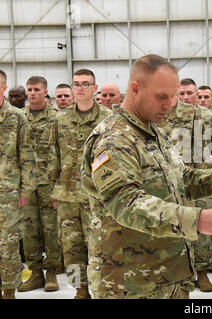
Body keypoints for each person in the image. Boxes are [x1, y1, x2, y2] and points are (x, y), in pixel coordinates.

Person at [80, 54, 212, 299]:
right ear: (135, 89)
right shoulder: (114, 140)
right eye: (162, 96)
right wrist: (196, 219)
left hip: (168, 276)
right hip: (129, 283)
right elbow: (126, 203)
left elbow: (180, 181)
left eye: (173, 97)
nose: (170, 105)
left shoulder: (153, 132)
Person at [156, 79, 212, 293]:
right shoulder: (159, 114)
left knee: (200, 229)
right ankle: (178, 272)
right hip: (166, 181)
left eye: (190, 93)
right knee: (172, 225)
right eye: (182, 92)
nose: (185, 96)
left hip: (194, 178)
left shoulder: (200, 116)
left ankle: (203, 269)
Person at [48, 69, 112, 299]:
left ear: (95, 89)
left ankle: (101, 288)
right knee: (71, 248)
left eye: (86, 84)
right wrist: (53, 189)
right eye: (76, 84)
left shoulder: (107, 118)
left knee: (99, 246)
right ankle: (80, 289)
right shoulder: (60, 119)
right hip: (66, 196)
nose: (80, 88)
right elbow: (52, 155)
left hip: (96, 196)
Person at [18, 76, 62, 293]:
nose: (32, 93)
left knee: (52, 229)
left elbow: (62, 152)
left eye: (36, 89)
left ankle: (51, 271)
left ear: (46, 92)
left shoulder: (57, 117)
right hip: (26, 183)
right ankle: (35, 273)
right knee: (29, 228)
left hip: (49, 184)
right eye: (29, 89)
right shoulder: (19, 117)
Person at [0, 69, 37, 299]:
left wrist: (26, 190)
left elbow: (28, 157)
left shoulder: (17, 118)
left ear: (3, 87)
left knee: (8, 246)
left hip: (8, 193)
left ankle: (9, 291)